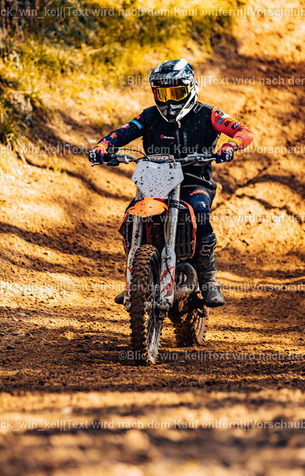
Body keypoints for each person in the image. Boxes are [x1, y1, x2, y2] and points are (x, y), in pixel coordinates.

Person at [88, 59, 254, 307]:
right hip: (156, 181)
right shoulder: (149, 116)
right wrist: (103, 146)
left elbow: (244, 132)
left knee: (199, 212)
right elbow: (122, 133)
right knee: (132, 216)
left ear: (191, 88)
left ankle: (208, 280)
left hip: (194, 182)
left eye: (176, 93)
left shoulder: (209, 114)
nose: (169, 102)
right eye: (162, 94)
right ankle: (135, 280)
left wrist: (230, 145)